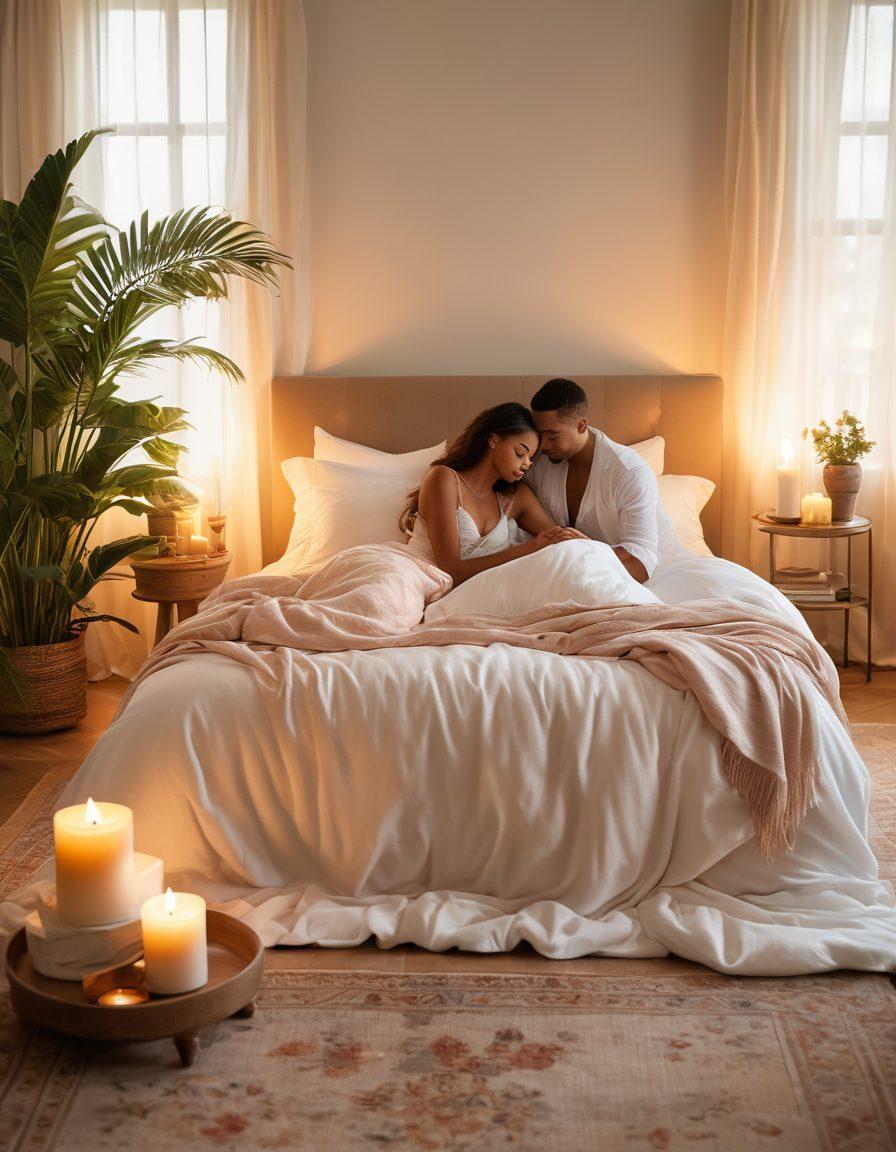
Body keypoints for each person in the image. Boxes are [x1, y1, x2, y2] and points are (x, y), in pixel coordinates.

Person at [401, 403, 585, 584]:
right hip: (424, 581)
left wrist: (588, 544)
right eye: (520, 452)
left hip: (485, 591)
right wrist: (534, 547)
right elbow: (451, 569)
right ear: (494, 440)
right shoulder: (444, 479)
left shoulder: (516, 497)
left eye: (531, 458)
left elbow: (560, 539)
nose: (527, 464)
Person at [526, 378, 680, 583]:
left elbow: (640, 565)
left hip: (658, 575)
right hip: (574, 576)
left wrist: (587, 549)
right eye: (539, 434)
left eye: (552, 435)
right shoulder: (538, 463)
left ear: (582, 426)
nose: (543, 444)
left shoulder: (630, 472)